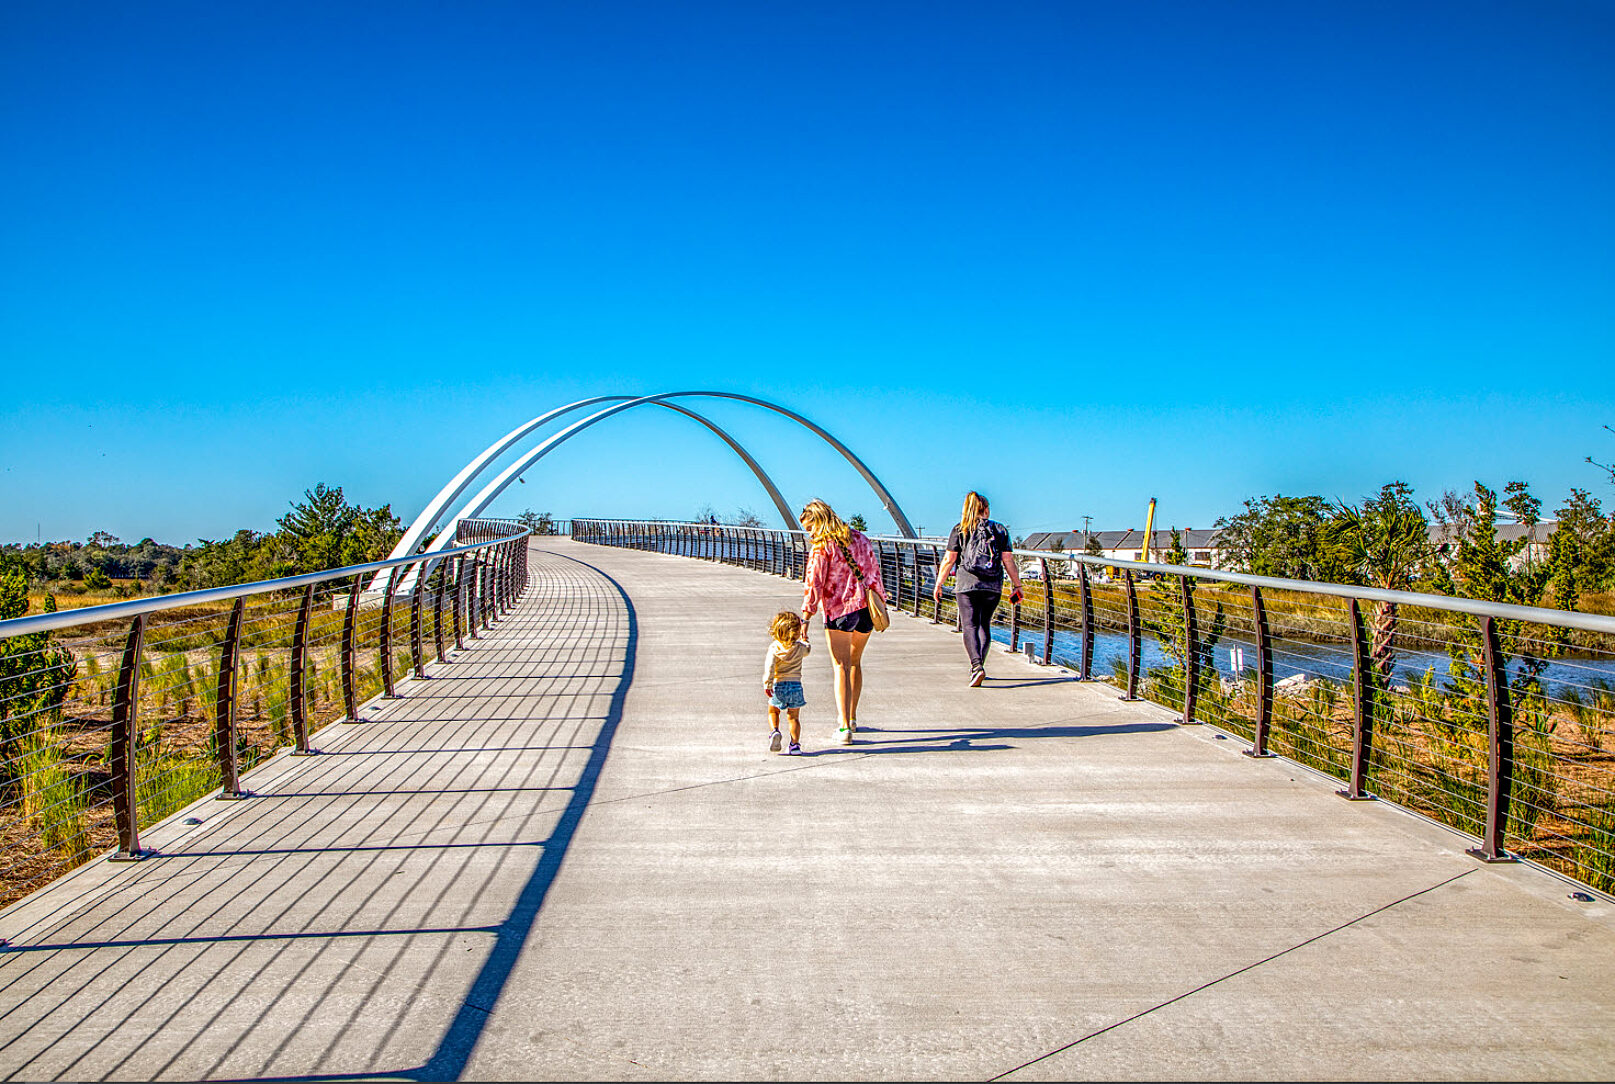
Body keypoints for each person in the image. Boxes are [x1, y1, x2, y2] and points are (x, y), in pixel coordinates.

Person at [798, 498, 887, 744]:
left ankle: (844, 726)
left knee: (841, 666)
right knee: (855, 663)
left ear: (818, 521)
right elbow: (874, 573)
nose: (809, 534)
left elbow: (814, 583)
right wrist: (881, 603)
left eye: (809, 528)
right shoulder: (860, 538)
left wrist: (806, 617)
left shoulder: (822, 546)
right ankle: (853, 717)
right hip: (867, 609)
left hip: (839, 610)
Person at [933, 491, 1022, 686]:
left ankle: (976, 666)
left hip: (967, 584)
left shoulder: (960, 529)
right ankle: (979, 665)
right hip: (992, 585)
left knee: (970, 625)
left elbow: (949, 560)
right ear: (987, 509)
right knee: (984, 625)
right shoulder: (1000, 530)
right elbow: (1008, 560)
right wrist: (1017, 585)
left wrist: (939, 583)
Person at [764, 611, 811, 756]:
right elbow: (808, 649)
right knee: (793, 717)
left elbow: (770, 667)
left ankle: (774, 731)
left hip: (779, 685)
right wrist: (805, 639)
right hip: (796, 686)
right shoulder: (799, 648)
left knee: (773, 710)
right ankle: (795, 745)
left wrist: (768, 683)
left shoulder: (774, 648)